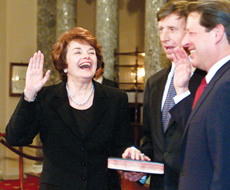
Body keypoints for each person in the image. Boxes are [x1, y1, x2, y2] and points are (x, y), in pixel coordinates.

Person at [5, 27, 135, 189]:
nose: (86, 56)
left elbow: (123, 145)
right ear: (64, 64)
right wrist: (29, 94)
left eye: (91, 52)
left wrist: (130, 152)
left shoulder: (116, 98)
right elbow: (15, 138)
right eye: (78, 52)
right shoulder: (45, 98)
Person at [170, 0, 230, 189]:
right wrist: (181, 90)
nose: (185, 41)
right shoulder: (224, 79)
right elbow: (204, 135)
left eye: (191, 32)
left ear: (217, 33)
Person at [122, 1, 206, 189]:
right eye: (161, 29)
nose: (164, 37)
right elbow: (151, 139)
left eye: (172, 29)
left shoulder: (207, 80)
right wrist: (141, 167)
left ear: (189, 33)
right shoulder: (154, 82)